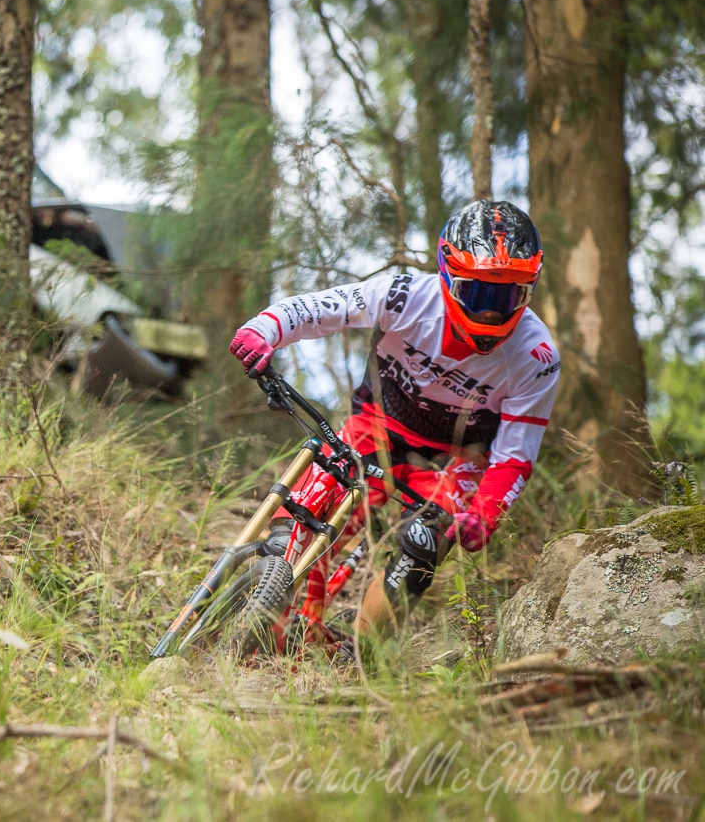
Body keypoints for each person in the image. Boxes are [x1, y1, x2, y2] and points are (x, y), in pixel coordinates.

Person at [229, 199, 560, 644]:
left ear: (529, 290)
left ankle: (362, 653)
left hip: (455, 461)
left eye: (506, 297)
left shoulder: (536, 357)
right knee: (309, 506)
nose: (490, 313)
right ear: (447, 277)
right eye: (479, 294)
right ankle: (273, 610)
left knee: (424, 542)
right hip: (377, 427)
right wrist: (264, 329)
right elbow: (319, 309)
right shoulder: (406, 296)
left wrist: (485, 513)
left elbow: (515, 457)